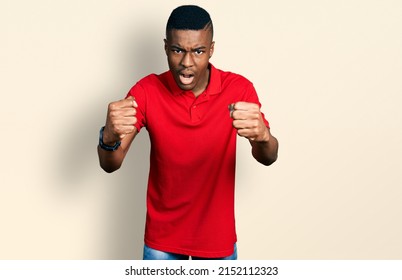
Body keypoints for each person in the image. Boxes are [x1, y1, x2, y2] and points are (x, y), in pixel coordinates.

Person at [97, 5, 278, 260]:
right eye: (177, 50)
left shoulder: (238, 89)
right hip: (162, 242)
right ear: (166, 47)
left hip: (217, 241)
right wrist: (108, 137)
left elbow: (269, 156)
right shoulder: (147, 90)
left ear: (211, 50)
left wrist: (263, 136)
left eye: (198, 51)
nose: (187, 62)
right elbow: (110, 164)